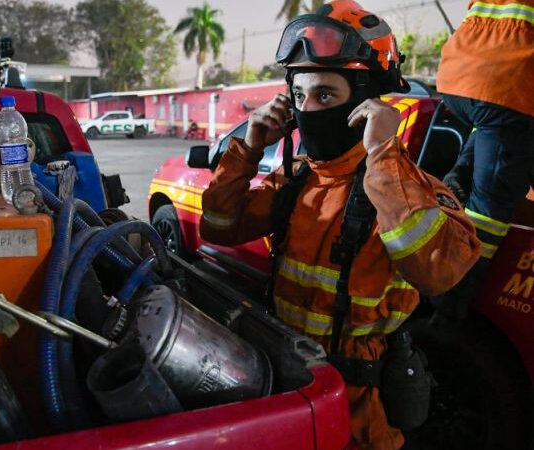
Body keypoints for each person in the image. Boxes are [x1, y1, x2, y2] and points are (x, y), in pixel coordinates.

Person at [199, 1, 481, 449]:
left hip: (360, 414)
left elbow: (438, 272)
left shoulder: (409, 189)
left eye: (325, 95)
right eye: (298, 96)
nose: (308, 110)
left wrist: (383, 154)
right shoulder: (294, 182)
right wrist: (246, 149)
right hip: (286, 390)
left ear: (368, 101)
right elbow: (218, 225)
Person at [433, 0, 534, 321]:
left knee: (496, 135)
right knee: (491, 208)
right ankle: (450, 305)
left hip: (461, 76)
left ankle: (453, 191)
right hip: (505, 83)